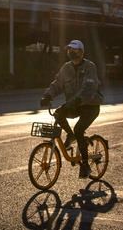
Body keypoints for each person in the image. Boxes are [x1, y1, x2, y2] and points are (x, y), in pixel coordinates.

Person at [40, 40, 104, 178]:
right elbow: (57, 83)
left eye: (74, 50)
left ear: (81, 52)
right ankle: (70, 135)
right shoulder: (66, 68)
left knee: (79, 129)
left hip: (90, 106)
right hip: (74, 105)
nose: (71, 53)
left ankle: (85, 165)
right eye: (69, 50)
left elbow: (89, 87)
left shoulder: (90, 67)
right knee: (58, 113)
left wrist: (77, 100)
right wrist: (47, 95)